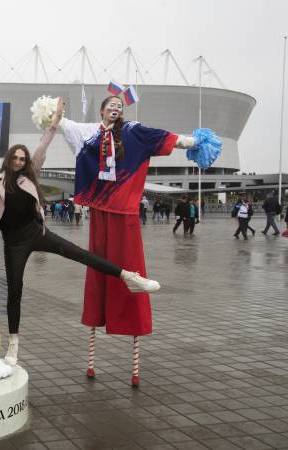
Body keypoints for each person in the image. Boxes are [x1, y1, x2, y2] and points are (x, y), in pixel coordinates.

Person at [0, 98, 159, 366]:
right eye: (15, 158)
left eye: (22, 158)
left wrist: (57, 119)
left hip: (36, 233)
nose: (19, 161)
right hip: (13, 243)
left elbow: (45, 141)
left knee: (80, 254)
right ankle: (14, 343)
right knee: (14, 291)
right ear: (8, 159)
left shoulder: (31, 174)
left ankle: (129, 276)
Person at [59, 94, 211, 385]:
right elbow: (59, 123)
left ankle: (133, 339)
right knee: (97, 271)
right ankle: (95, 330)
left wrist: (195, 141)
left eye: (119, 106)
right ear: (101, 110)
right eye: (110, 105)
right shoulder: (87, 132)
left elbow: (168, 139)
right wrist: (52, 112)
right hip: (98, 211)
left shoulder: (134, 131)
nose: (115, 109)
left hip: (125, 213)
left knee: (130, 269)